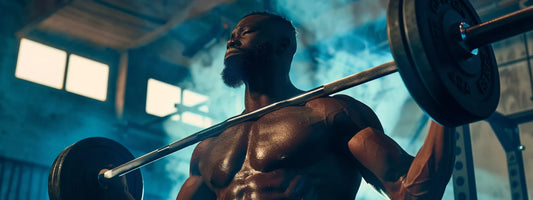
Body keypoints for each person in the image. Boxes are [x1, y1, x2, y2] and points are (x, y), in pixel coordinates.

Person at [176, 12, 455, 200]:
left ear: (283, 46)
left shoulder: (329, 115)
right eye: (232, 35)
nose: (231, 40)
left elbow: (411, 189)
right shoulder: (208, 147)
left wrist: (446, 93)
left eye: (245, 32)